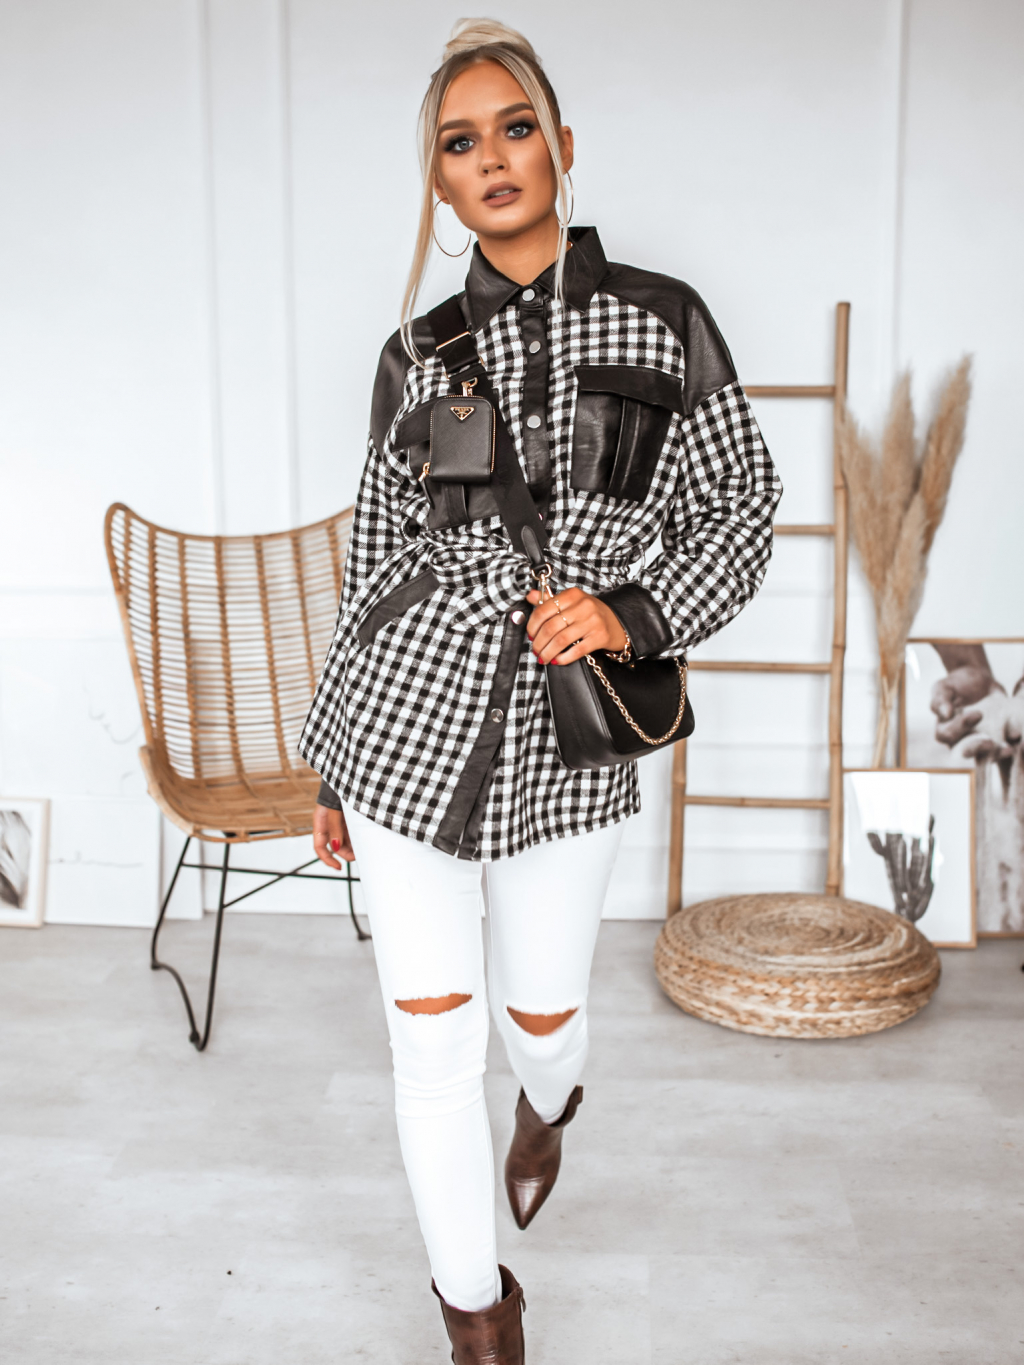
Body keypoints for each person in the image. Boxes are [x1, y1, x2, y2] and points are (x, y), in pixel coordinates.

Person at [300, 19, 781, 1362]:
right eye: (461, 143)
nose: (493, 157)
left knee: (542, 1023)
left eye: (515, 128)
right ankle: (476, 1310)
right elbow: (376, 553)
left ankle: (549, 1105)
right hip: (405, 719)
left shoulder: (665, 319)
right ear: (439, 180)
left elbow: (742, 508)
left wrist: (630, 613)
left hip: (570, 735)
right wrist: (331, 761)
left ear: (561, 145)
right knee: (430, 1040)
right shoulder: (417, 353)